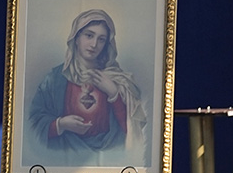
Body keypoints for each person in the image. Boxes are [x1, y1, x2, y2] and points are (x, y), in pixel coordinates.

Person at [27, 9, 146, 156]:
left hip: (109, 155)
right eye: (89, 35)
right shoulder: (54, 79)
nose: (94, 44)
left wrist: (114, 93)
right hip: (64, 155)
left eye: (101, 39)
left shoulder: (117, 79)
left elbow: (133, 132)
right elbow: (32, 123)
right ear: (76, 38)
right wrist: (61, 124)